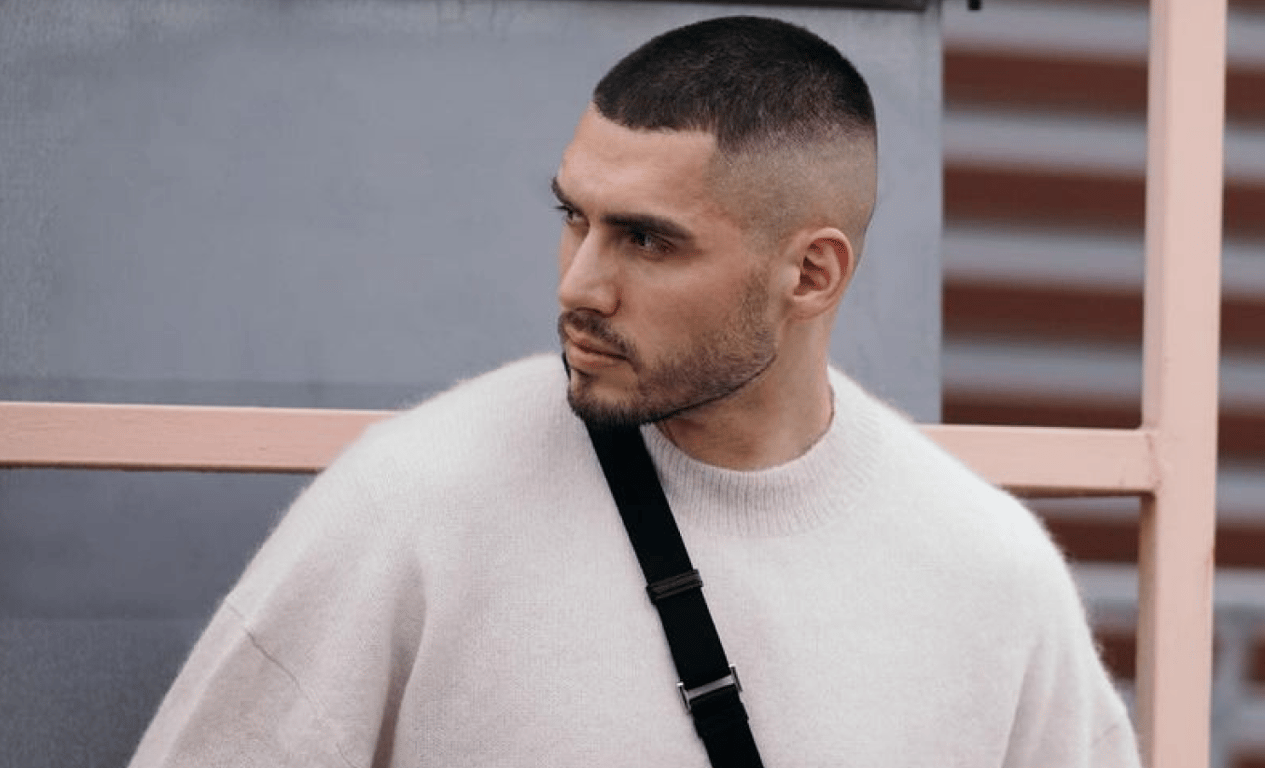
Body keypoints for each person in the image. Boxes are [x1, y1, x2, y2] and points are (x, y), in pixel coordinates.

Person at [129, 15, 1140, 767]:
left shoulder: (989, 572)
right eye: (575, 217)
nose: (578, 285)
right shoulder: (416, 502)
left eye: (646, 240)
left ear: (810, 274)